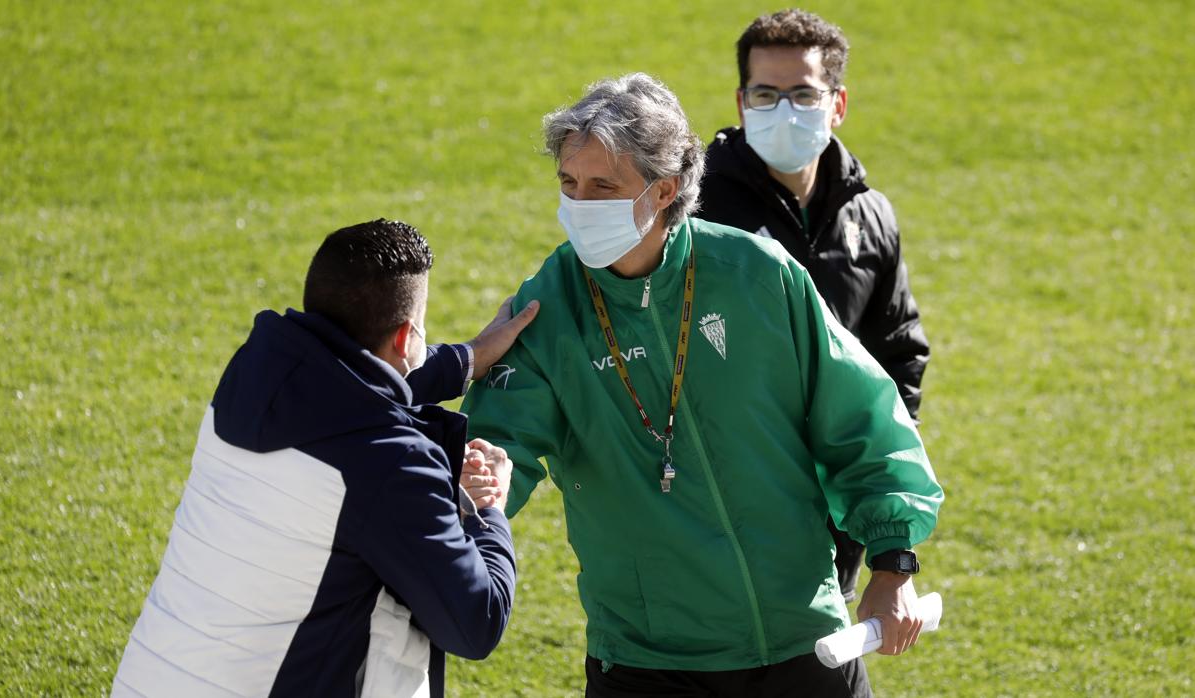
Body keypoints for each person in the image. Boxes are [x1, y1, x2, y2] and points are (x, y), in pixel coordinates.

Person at [459, 74, 943, 697]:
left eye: (603, 186)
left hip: (801, 641)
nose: (579, 204)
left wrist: (893, 558)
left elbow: (862, 420)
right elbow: (493, 452)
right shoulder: (545, 307)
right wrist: (475, 492)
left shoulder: (759, 275)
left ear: (663, 191)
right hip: (645, 660)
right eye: (568, 184)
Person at [111, 219, 538, 698]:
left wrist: (465, 359)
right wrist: (489, 511)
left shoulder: (254, 369)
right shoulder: (392, 466)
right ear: (404, 338)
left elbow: (344, 392)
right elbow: (477, 622)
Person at [698, 9, 931, 604]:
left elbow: (897, 352)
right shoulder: (694, 213)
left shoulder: (870, 213)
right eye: (766, 94)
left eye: (802, 94)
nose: (783, 110)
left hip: (833, 516)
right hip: (717, 509)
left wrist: (873, 476)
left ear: (838, 103)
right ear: (741, 100)